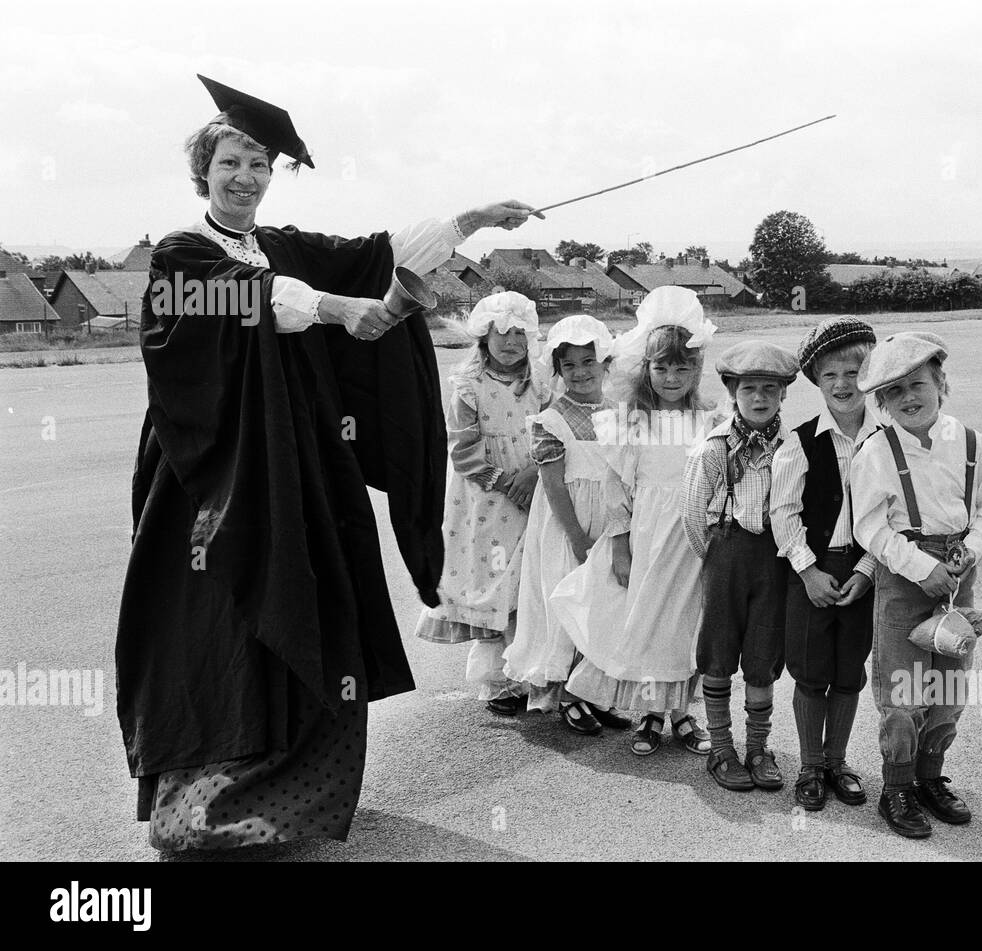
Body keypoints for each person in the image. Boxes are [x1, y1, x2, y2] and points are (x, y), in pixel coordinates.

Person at [116, 74, 539, 851]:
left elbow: (373, 254)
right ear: (202, 171)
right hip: (208, 475)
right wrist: (341, 310)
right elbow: (253, 298)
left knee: (311, 600)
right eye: (231, 162)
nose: (246, 177)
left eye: (259, 165)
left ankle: (294, 798)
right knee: (222, 618)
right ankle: (203, 812)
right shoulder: (183, 256)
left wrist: (471, 220)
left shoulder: (278, 245)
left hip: (296, 463)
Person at [849, 331, 982, 839]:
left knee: (948, 689)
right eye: (894, 392)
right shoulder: (877, 451)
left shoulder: (971, 443)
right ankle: (895, 785)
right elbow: (869, 527)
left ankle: (929, 776)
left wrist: (971, 550)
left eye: (918, 384)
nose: (909, 398)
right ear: (881, 402)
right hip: (904, 580)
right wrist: (922, 566)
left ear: (941, 383)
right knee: (905, 693)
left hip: (958, 579)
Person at [553, 287, 723, 756]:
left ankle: (684, 714)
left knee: (686, 624)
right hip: (647, 534)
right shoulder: (631, 421)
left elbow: (718, 482)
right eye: (662, 367)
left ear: (697, 369)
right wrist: (622, 546)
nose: (672, 377)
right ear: (646, 369)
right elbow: (617, 492)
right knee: (647, 621)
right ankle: (649, 715)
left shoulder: (710, 420)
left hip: (692, 539)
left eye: (682, 367)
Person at [413, 291, 548, 716]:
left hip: (533, 487)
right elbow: (462, 447)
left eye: (519, 335)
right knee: (492, 575)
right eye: (501, 333)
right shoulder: (468, 386)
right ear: (483, 336)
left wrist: (535, 473)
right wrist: (505, 481)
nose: (510, 343)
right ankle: (495, 681)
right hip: (486, 497)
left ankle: (527, 669)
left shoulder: (539, 384)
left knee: (525, 577)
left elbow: (551, 430)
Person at [681, 340, 800, 793]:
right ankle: (721, 748)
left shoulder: (793, 446)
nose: (760, 397)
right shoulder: (712, 447)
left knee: (763, 654)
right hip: (727, 553)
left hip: (775, 557)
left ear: (785, 392)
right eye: (749, 388)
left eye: (770, 388)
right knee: (718, 650)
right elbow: (693, 515)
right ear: (732, 390)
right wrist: (716, 557)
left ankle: (757, 747)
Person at [502, 315, 630, 735]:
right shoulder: (552, 419)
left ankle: (590, 690)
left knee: (604, 606)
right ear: (558, 371)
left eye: (588, 362)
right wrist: (577, 536)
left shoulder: (620, 413)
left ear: (604, 363)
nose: (580, 372)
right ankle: (561, 695)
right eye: (569, 365)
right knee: (566, 606)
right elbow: (553, 487)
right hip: (568, 526)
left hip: (612, 524)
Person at [771, 317, 878, 811]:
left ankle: (838, 762)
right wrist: (807, 570)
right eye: (830, 375)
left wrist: (867, 570)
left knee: (848, 670)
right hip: (812, 571)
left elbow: (893, 517)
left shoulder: (886, 441)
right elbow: (784, 511)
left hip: (864, 572)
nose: (842, 384)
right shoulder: (800, 441)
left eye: (853, 372)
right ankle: (811, 765)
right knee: (811, 671)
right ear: (816, 380)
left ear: (871, 373)